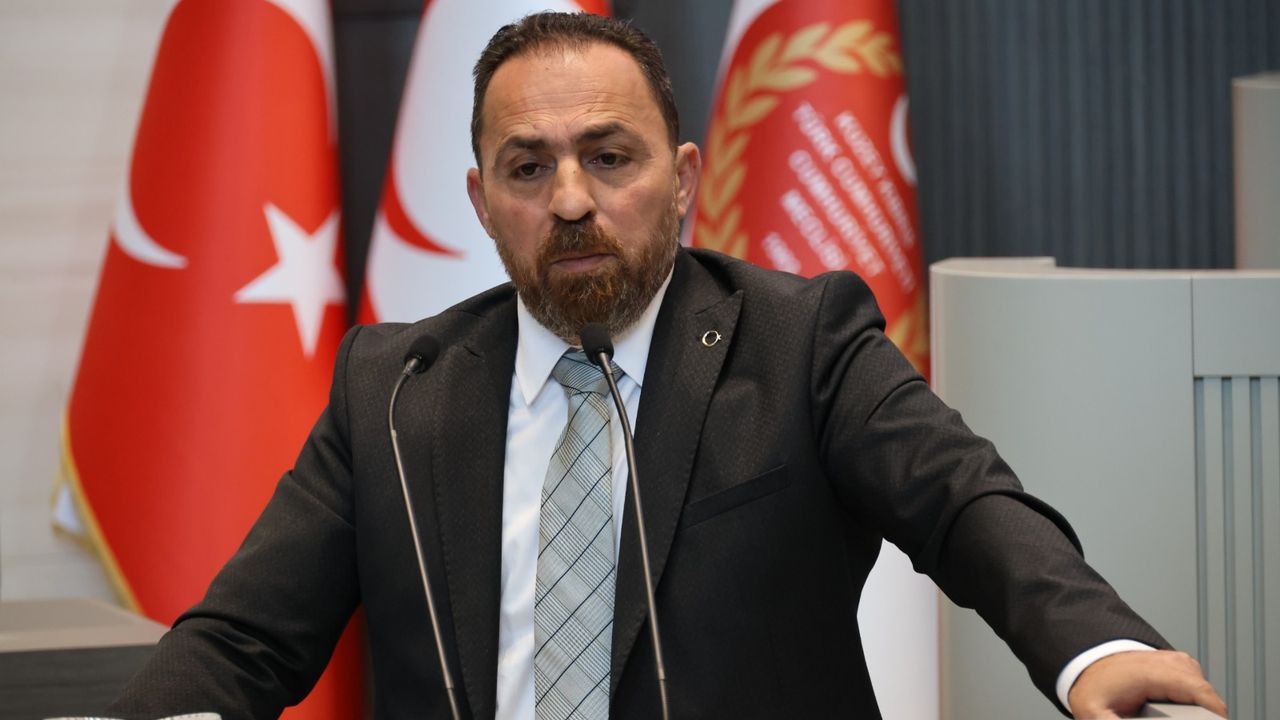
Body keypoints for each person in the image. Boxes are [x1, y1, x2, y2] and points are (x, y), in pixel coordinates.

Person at [110, 12, 1226, 720]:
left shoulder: (799, 342)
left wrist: (1092, 649)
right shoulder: (395, 388)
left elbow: (964, 503)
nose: (572, 200)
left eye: (609, 157)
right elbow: (244, 639)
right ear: (480, 203)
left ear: (684, 177)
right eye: (527, 168)